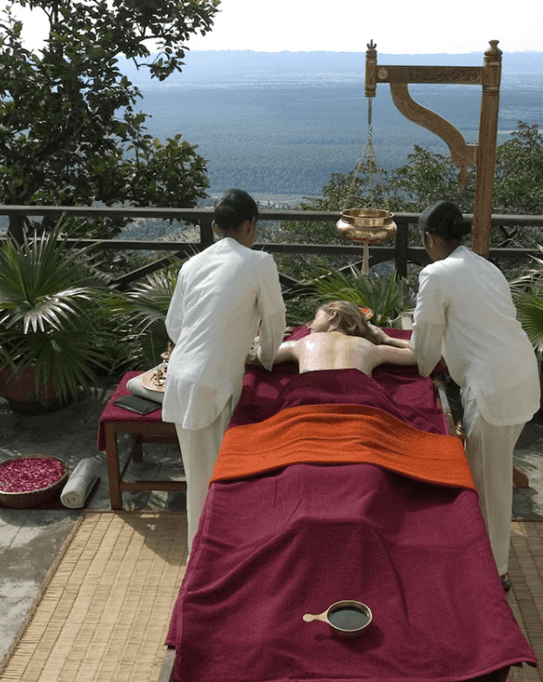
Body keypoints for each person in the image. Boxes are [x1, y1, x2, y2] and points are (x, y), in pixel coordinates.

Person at [409, 200, 540, 593]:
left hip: (493, 389)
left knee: (490, 485)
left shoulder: (436, 273)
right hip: (522, 376)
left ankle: (494, 574)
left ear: (431, 239)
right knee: (489, 474)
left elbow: (425, 351)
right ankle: (482, 557)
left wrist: (405, 353)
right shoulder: (487, 266)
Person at [163, 189, 287, 548]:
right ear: (250, 225)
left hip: (183, 377)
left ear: (216, 226)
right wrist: (263, 357)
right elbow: (275, 321)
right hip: (210, 384)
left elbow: (175, 326)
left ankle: (207, 561)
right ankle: (202, 570)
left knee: (199, 480)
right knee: (211, 487)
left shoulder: (193, 264)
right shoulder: (259, 262)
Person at [264, 300, 415, 375]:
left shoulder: (302, 343)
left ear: (334, 316)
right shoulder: (371, 348)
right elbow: (421, 355)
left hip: (309, 394)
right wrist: (388, 339)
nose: (309, 326)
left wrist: (266, 337)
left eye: (314, 319)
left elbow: (255, 356)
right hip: (358, 398)